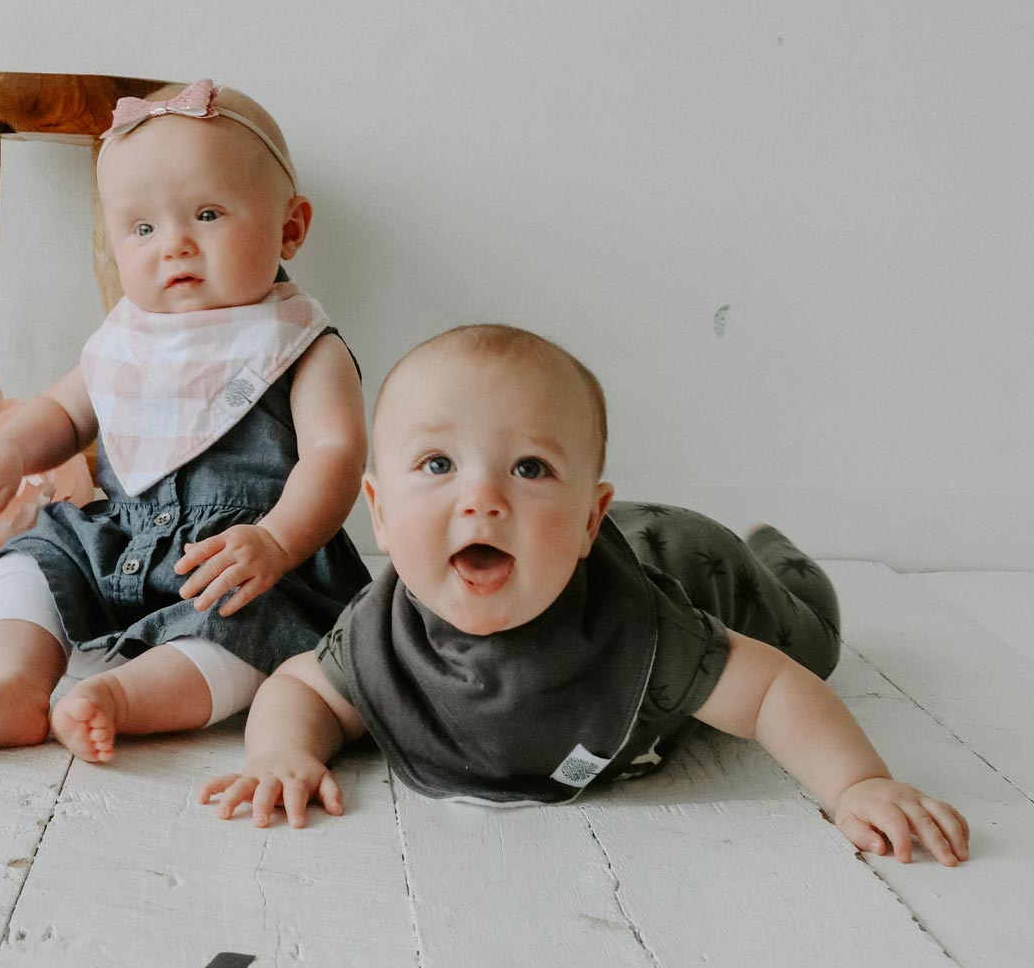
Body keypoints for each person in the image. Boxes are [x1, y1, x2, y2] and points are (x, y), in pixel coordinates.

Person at [200, 324, 970, 868]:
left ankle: (779, 551)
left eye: (530, 468)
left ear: (586, 518)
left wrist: (858, 783)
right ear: (380, 514)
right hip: (601, 540)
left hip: (693, 558)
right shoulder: (384, 631)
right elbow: (303, 685)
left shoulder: (646, 632)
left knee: (812, 636)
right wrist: (281, 753)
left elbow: (771, 690)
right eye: (437, 464)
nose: (481, 498)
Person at [0, 79, 370, 762]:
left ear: (291, 228)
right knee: (31, 558)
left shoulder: (302, 343)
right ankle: (12, 684)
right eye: (143, 228)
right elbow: (66, 412)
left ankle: (125, 699)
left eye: (208, 215)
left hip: (236, 561)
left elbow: (336, 453)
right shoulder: (129, 335)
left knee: (251, 632)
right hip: (117, 537)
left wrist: (275, 542)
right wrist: (5, 451)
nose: (174, 245)